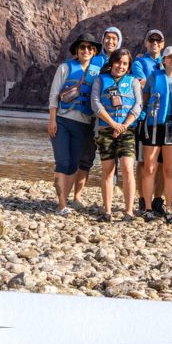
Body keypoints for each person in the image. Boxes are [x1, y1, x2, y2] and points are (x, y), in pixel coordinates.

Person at [47, 33, 103, 213]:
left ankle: (66, 200)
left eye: (89, 48)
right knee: (63, 162)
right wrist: (52, 120)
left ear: (94, 52)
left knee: (74, 164)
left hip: (84, 125)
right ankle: (62, 204)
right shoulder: (65, 68)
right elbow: (54, 95)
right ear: (77, 51)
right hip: (62, 121)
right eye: (82, 47)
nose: (85, 50)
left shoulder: (98, 73)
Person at [139, 46, 172, 222]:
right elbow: (144, 99)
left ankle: (169, 208)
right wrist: (141, 116)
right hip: (154, 124)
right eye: (170, 57)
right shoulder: (154, 77)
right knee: (150, 168)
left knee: (169, 170)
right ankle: (147, 208)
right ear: (164, 60)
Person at [90, 47, 143, 220]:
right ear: (112, 62)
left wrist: (124, 125)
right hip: (106, 129)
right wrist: (113, 124)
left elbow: (138, 105)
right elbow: (96, 103)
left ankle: (129, 211)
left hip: (127, 131)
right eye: (118, 62)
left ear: (129, 67)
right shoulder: (100, 80)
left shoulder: (133, 81)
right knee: (108, 170)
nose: (121, 66)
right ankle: (107, 211)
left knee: (128, 168)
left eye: (125, 63)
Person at [133, 29, 166, 214]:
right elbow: (143, 84)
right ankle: (142, 198)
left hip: (165, 119)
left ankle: (157, 200)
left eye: (158, 40)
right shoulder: (139, 62)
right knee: (143, 161)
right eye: (151, 40)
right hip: (145, 118)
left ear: (162, 43)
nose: (154, 43)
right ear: (146, 43)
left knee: (161, 162)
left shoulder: (169, 60)